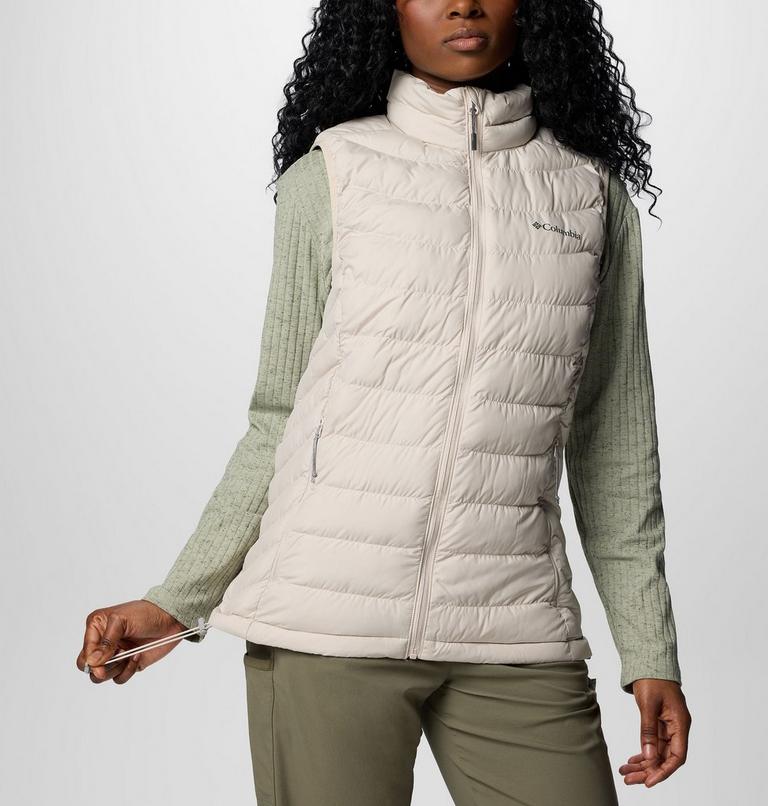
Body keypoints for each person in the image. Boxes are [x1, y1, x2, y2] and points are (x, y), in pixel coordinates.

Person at [76, 1, 692, 803]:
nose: (463, 4)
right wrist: (178, 601)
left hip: (514, 623)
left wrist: (650, 651)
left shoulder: (589, 192)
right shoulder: (334, 171)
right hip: (322, 621)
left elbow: (614, 443)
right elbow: (278, 420)